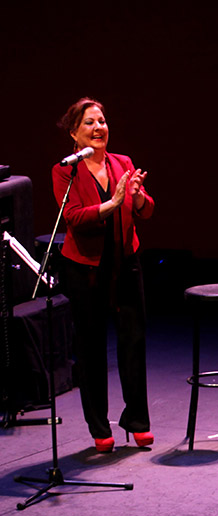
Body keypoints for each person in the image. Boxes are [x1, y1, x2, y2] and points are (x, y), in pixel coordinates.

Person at [52, 97, 155, 453]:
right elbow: (74, 217)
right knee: (91, 347)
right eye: (89, 123)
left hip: (125, 261)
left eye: (102, 121)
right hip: (86, 268)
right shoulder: (65, 171)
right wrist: (111, 203)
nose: (98, 128)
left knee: (134, 342)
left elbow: (146, 209)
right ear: (74, 133)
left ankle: (138, 421)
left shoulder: (122, 162)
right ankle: (100, 428)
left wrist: (136, 198)